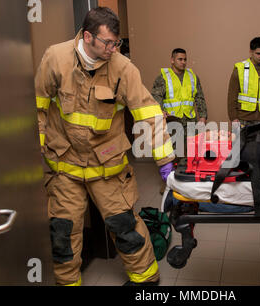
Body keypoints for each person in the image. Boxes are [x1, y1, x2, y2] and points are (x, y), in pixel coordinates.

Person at [34, 7, 174, 286]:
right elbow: (38, 106)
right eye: (108, 42)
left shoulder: (123, 68)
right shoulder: (56, 58)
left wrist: (165, 162)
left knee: (124, 226)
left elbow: (149, 114)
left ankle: (146, 279)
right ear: (88, 37)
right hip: (64, 164)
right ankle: (68, 283)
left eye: (117, 42)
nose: (113, 48)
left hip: (108, 164)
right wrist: (38, 150)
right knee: (63, 232)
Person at [151, 48, 208, 150]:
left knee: (191, 149)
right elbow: (156, 97)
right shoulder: (163, 78)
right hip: (172, 120)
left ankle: (188, 165)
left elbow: (200, 97)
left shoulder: (193, 77)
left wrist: (203, 116)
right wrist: (161, 111)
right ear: (172, 60)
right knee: (174, 150)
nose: (183, 62)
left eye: (185, 59)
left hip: (190, 120)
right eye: (180, 59)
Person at [228, 37, 260, 127]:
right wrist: (233, 118)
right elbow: (232, 95)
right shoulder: (240, 69)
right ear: (251, 51)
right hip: (243, 119)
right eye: (258, 53)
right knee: (239, 141)